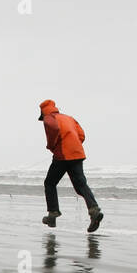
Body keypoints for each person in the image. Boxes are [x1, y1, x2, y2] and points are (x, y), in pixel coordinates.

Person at [37, 99, 102, 232]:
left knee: (50, 183)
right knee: (81, 185)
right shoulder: (69, 118)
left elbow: (53, 128)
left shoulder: (49, 118)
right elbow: (82, 135)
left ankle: (53, 213)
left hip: (62, 155)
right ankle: (94, 210)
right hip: (77, 153)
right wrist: (73, 145)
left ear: (43, 112)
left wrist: (52, 145)